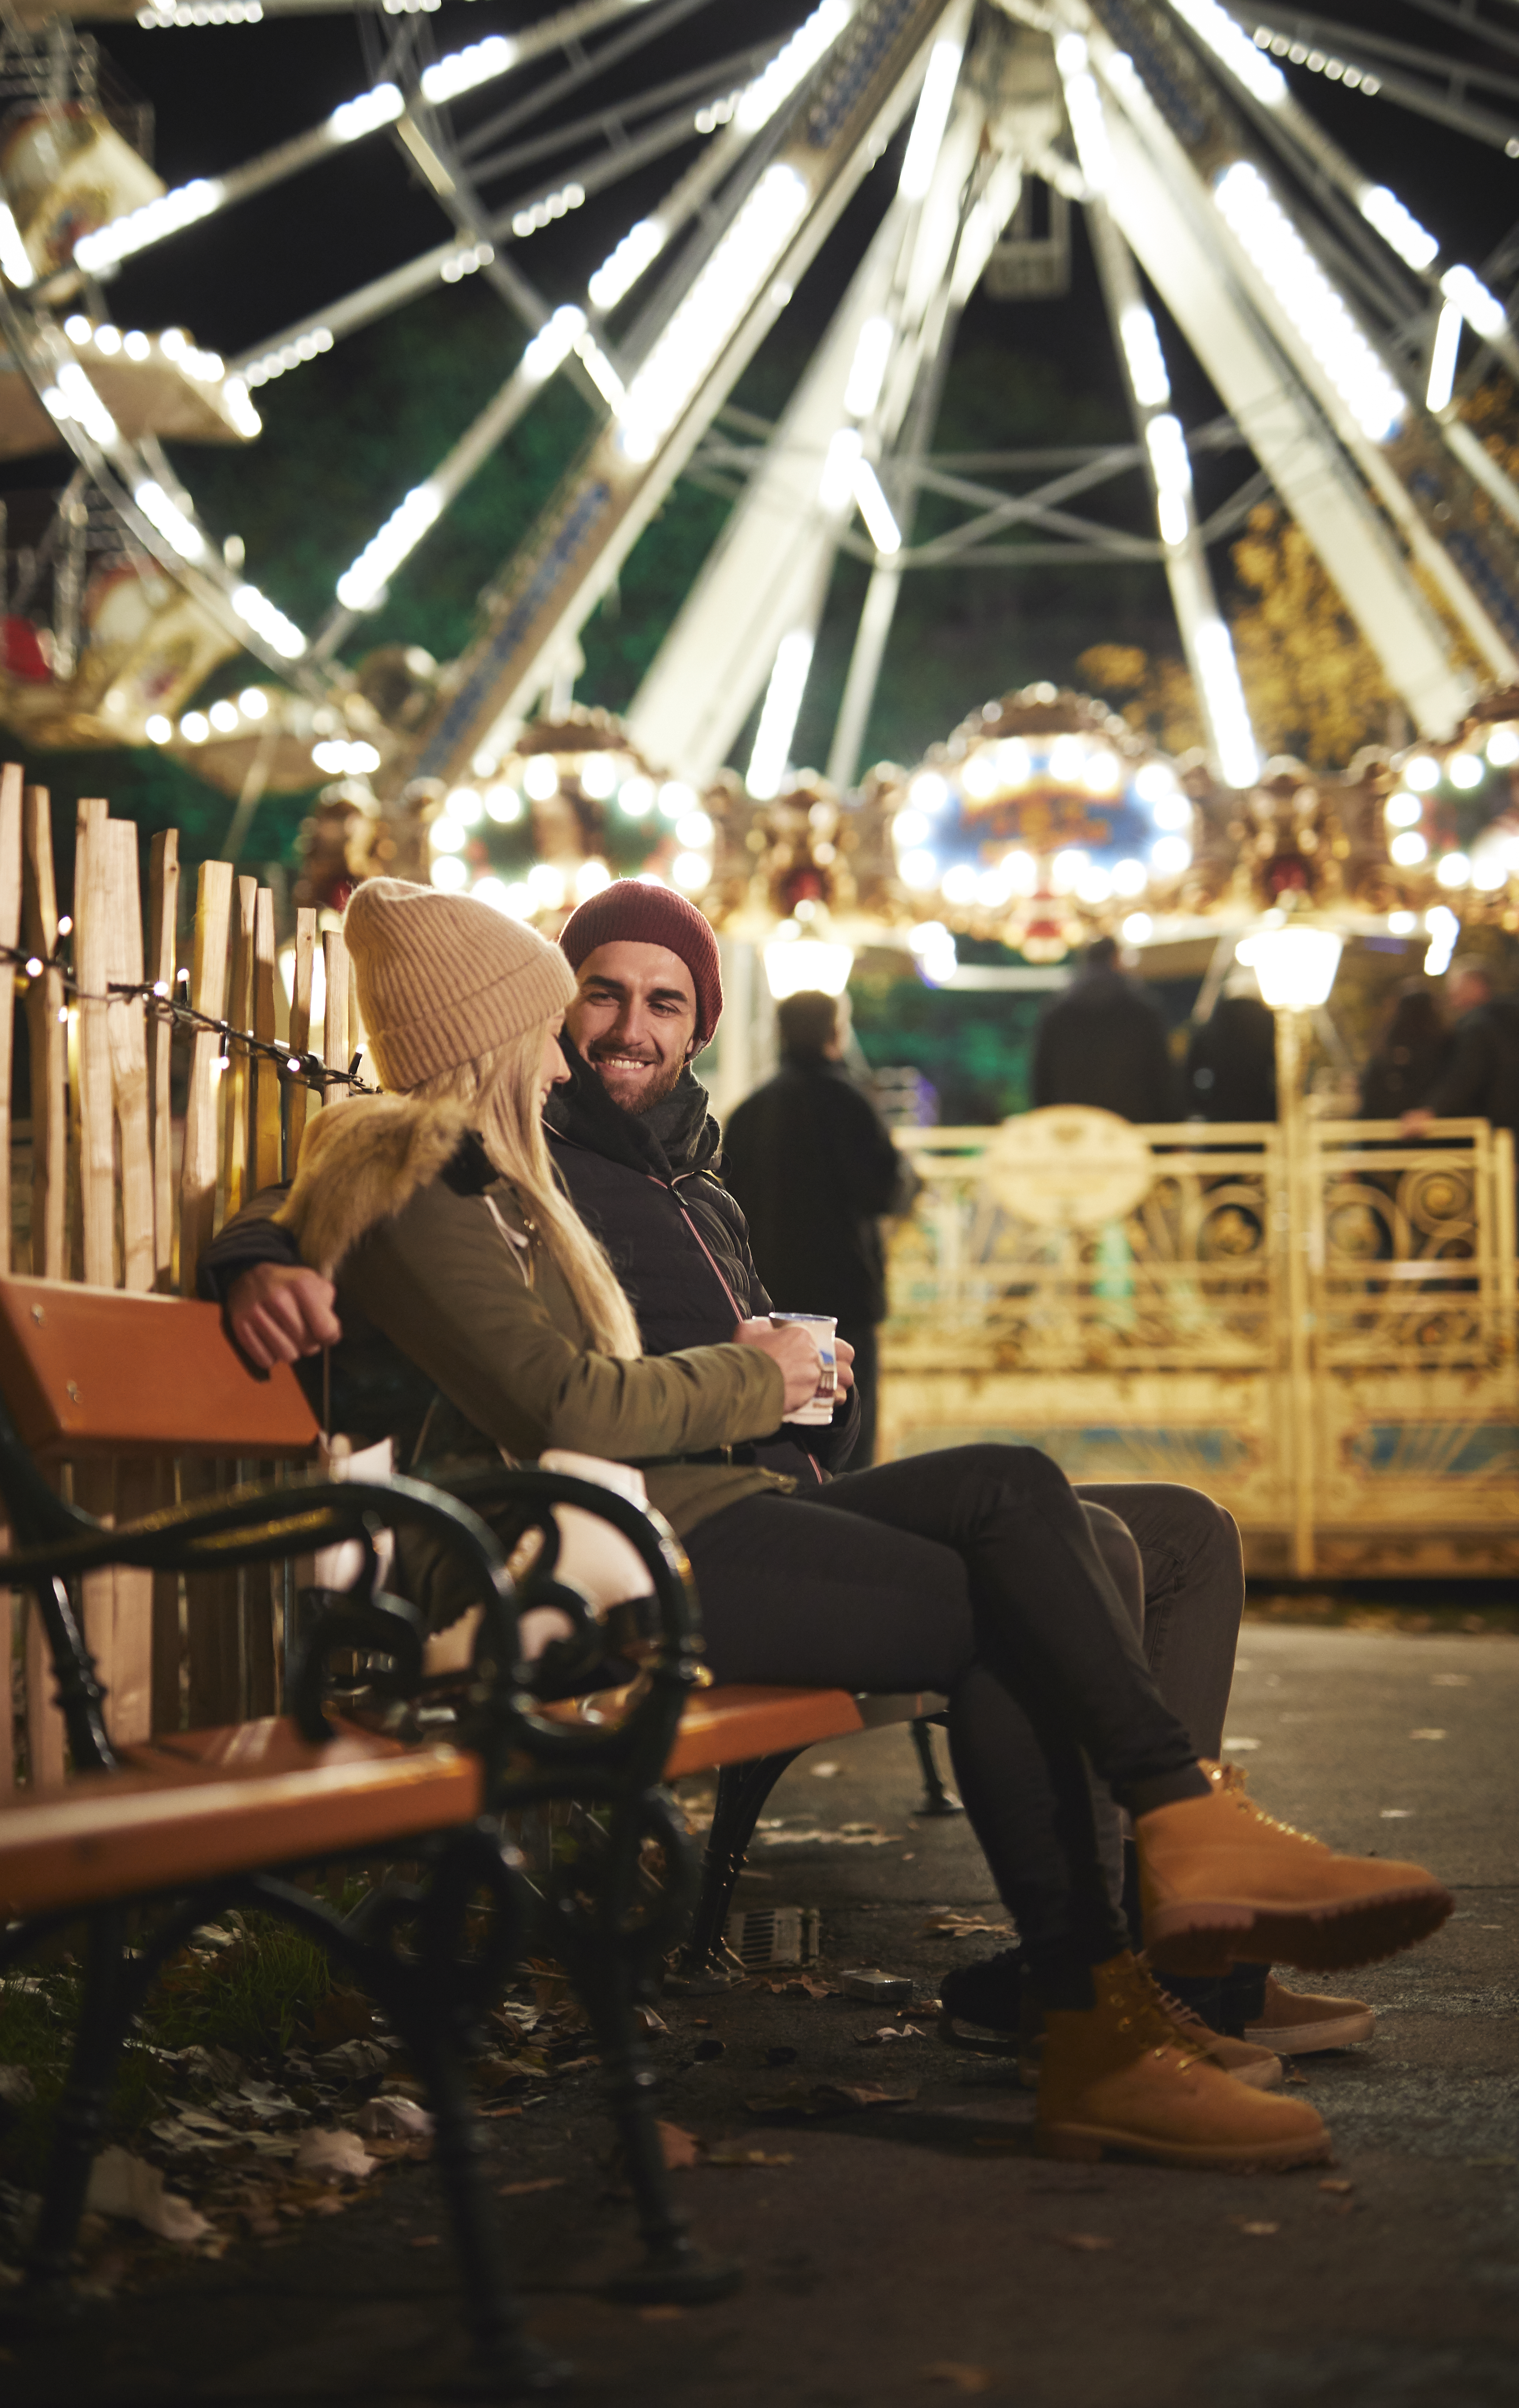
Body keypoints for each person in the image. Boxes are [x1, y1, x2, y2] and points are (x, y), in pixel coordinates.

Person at [215, 877, 1451, 2170]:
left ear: (701, 1028)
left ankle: (1170, 1883)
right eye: (577, 1000)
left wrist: (811, 1395)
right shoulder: (448, 1163)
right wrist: (256, 1253)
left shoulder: (660, 1172)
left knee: (1043, 1496)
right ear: (517, 1022)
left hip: (732, 1497)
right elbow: (386, 1254)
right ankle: (1113, 1983)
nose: (601, 1034)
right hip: (616, 1538)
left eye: (662, 1002)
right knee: (1020, 1605)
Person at [721, 987, 915, 1468]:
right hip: (843, 1300)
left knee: (783, 1440)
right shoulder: (849, 1102)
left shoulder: (749, 1111)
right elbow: (886, 1191)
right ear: (836, 1032)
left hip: (771, 1301)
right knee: (848, 1434)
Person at [1032, 935, 1180, 1124]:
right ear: (1116, 959)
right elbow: (1162, 1074)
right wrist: (1172, 1123)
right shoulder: (1143, 1010)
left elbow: (1042, 1078)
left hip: (1073, 1128)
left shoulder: (1055, 1011)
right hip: (1132, 1127)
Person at [1399, 959, 1519, 1155]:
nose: (1451, 995)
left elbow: (1466, 1075)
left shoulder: (1475, 1026)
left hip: (1495, 1130)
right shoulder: (1506, 1020)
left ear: (1477, 985)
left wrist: (1431, 1110)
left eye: (1456, 986)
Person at [1186, 970, 1276, 1124]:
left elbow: (1191, 1071)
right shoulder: (1271, 1026)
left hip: (1220, 1116)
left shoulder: (1210, 1027)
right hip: (1263, 1115)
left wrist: (1200, 1105)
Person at [1360, 979, 1447, 1121]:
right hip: (1433, 1128)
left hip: (1386, 1129)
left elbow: (1370, 1092)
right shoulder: (1444, 1045)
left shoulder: (1390, 1043)